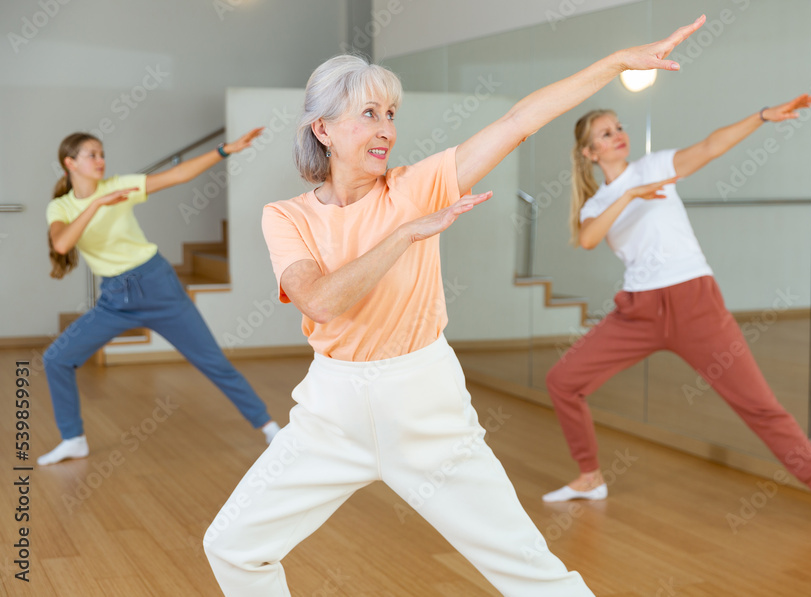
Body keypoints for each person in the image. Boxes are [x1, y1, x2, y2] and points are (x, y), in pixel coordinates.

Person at [203, 17, 710, 595]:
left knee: (531, 573)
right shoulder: (287, 216)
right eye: (369, 113)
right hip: (331, 411)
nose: (386, 128)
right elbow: (320, 302)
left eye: (391, 114)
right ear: (322, 128)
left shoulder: (418, 185)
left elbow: (518, 121)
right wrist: (405, 235)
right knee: (233, 548)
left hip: (424, 402)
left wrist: (614, 63)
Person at [542, 100, 811, 535]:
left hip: (695, 304)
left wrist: (760, 117)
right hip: (639, 312)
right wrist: (628, 193)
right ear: (590, 154)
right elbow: (589, 238)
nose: (617, 135)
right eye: (605, 134)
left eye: (618, 127)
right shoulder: (599, 204)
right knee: (562, 381)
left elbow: (710, 146)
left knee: (760, 405)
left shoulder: (656, 166)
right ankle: (589, 477)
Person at [39, 129, 281, 465]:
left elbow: (178, 174)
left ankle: (270, 428)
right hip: (115, 299)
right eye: (91, 154)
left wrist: (225, 150)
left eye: (102, 153)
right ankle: (73, 439)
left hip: (158, 285)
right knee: (56, 358)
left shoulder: (119, 186)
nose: (101, 160)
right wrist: (95, 203)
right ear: (70, 163)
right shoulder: (60, 207)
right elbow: (62, 244)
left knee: (212, 361)